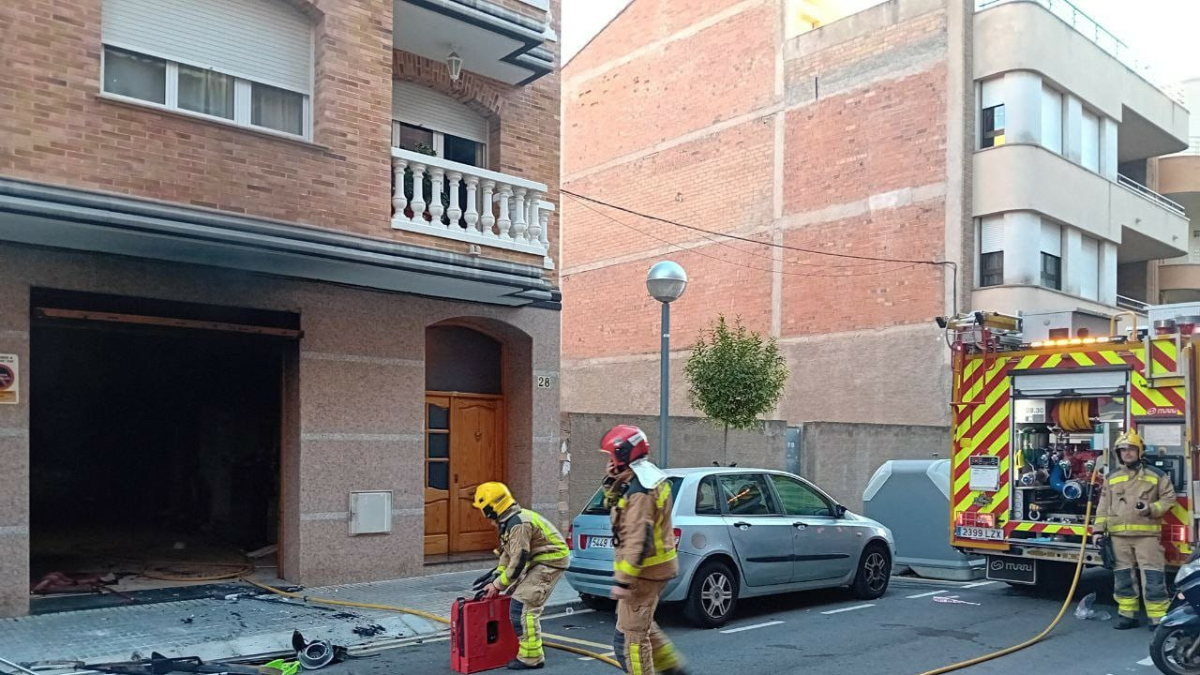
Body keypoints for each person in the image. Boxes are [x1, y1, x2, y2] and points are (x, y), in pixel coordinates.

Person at [599, 424, 687, 675]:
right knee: (642, 626)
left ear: (623, 455)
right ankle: (673, 668)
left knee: (631, 640)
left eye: (611, 456)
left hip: (644, 573)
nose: (608, 461)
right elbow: (614, 506)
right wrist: (613, 480)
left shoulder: (640, 491)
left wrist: (623, 582)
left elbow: (639, 539)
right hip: (653, 569)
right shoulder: (644, 479)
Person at [472, 481, 570, 670]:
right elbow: (507, 554)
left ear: (491, 507)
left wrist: (497, 586)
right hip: (540, 560)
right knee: (517, 601)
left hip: (550, 562)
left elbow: (518, 562)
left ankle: (531, 657)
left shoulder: (518, 524)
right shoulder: (509, 520)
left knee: (523, 606)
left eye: (483, 508)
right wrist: (496, 575)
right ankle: (525, 645)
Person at [1092, 430, 1176, 630]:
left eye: (1131, 449)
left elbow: (1168, 499)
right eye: (1123, 450)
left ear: (1140, 452)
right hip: (1118, 537)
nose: (1127, 453)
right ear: (1117, 453)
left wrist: (1151, 509)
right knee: (1122, 578)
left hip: (1146, 536)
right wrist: (1097, 531)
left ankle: (1158, 618)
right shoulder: (1111, 477)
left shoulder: (1157, 475)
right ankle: (1127, 615)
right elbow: (1103, 506)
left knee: (1153, 577)